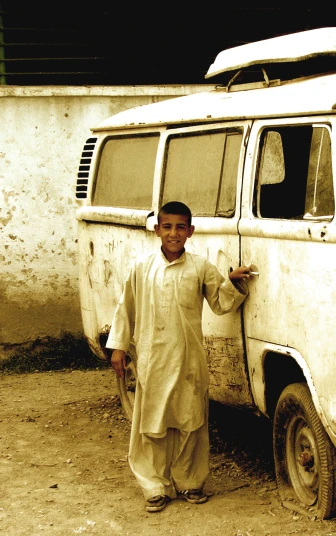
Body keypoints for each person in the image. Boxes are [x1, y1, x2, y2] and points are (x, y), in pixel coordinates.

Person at [106, 201, 254, 513]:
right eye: (168, 226)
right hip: (152, 359)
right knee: (153, 425)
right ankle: (155, 485)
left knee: (191, 423)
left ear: (190, 231)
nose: (174, 233)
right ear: (157, 229)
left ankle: (190, 482)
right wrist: (119, 347)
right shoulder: (141, 269)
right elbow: (126, 309)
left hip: (188, 361)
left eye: (181, 227)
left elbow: (220, 301)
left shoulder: (199, 267)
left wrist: (233, 281)